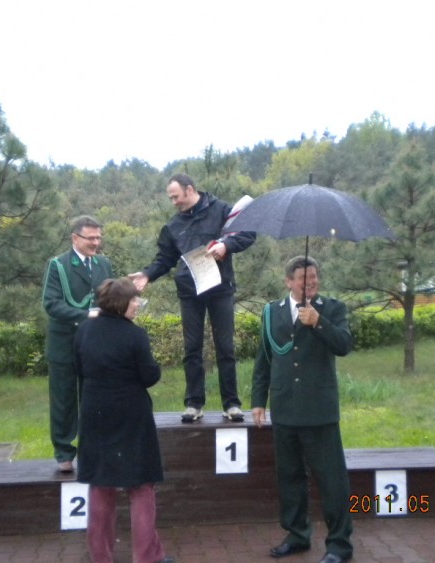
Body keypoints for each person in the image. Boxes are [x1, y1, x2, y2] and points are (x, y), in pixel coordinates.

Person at [129, 173, 255, 423]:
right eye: (170, 198)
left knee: (225, 347)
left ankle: (231, 404)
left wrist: (226, 246)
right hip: (189, 291)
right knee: (192, 348)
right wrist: (147, 275)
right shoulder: (173, 225)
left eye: (176, 196)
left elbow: (248, 233)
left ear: (189, 190)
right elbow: (164, 259)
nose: (174, 202)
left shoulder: (222, 210)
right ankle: (193, 404)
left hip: (220, 289)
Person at [251, 256, 353, 563]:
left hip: (319, 410)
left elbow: (344, 345)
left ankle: (339, 545)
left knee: (331, 480)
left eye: (314, 277)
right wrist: (258, 400)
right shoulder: (272, 311)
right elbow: (264, 357)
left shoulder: (332, 308)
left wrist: (318, 322)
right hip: (285, 407)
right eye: (304, 278)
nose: (311, 282)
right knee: (290, 477)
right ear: (289, 281)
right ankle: (297, 535)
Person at [74, 278, 174, 563]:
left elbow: (78, 367)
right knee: (141, 486)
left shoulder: (84, 330)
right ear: (121, 303)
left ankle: (100, 557)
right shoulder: (135, 335)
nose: (137, 305)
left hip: (95, 412)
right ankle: (147, 557)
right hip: (131, 414)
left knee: (100, 484)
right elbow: (149, 376)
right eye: (134, 300)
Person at [42, 215, 114, 472]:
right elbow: (51, 304)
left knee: (95, 398)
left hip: (95, 343)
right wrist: (86, 315)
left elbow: (111, 298)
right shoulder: (58, 265)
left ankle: (93, 449)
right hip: (64, 343)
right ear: (75, 238)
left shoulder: (104, 264)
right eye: (90, 238)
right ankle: (64, 452)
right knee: (63, 400)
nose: (95, 243)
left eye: (98, 238)